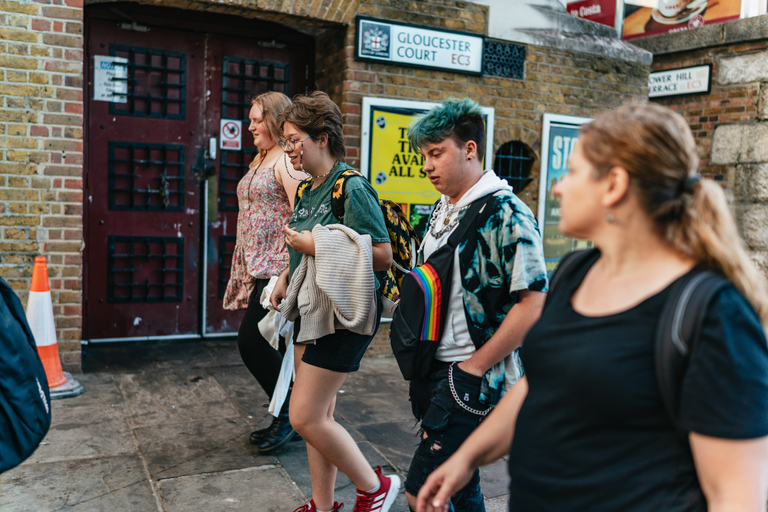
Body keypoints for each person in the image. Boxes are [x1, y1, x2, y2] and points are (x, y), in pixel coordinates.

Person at [416, 103, 768, 512]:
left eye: (572, 173)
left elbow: (736, 496)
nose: (558, 188)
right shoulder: (575, 272)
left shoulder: (711, 314)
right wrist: (464, 458)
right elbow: (540, 384)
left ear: (614, 184)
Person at [403, 97, 548, 512]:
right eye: (424, 156)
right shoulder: (442, 208)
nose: (427, 166)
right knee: (461, 487)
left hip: (473, 377)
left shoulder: (507, 213)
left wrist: (473, 368)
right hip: (435, 368)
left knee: (422, 491)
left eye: (436, 153)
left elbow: (534, 302)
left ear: (470, 149)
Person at [270, 91, 400, 512]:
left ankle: (374, 486)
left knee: (303, 417)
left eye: (294, 140)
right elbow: (303, 245)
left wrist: (316, 245)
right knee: (318, 420)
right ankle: (323, 506)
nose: (288, 149)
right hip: (312, 309)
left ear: (321, 138)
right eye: (286, 141)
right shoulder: (309, 189)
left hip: (344, 316)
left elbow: (382, 255)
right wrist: (285, 277)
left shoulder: (352, 187)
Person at [222, 91, 307, 453]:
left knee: (252, 340)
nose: (251, 125)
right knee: (278, 345)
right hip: (257, 265)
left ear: (274, 120)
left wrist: (291, 269)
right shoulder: (262, 158)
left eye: (257, 119)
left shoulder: (285, 163)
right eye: (251, 119)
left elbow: (303, 214)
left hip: (277, 267)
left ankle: (291, 414)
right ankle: (294, 417)